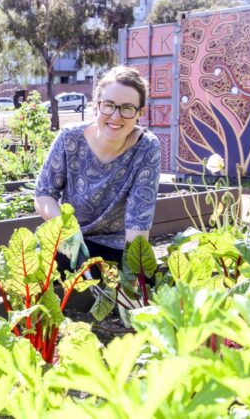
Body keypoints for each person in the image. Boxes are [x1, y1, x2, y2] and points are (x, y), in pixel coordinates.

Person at [35, 66, 161, 274]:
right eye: (109, 105)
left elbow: (138, 221)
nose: (115, 116)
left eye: (127, 108)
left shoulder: (146, 148)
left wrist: (132, 278)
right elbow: (43, 194)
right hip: (69, 239)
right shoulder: (69, 139)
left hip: (114, 247)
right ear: (96, 106)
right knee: (40, 274)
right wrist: (66, 228)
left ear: (140, 113)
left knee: (115, 288)